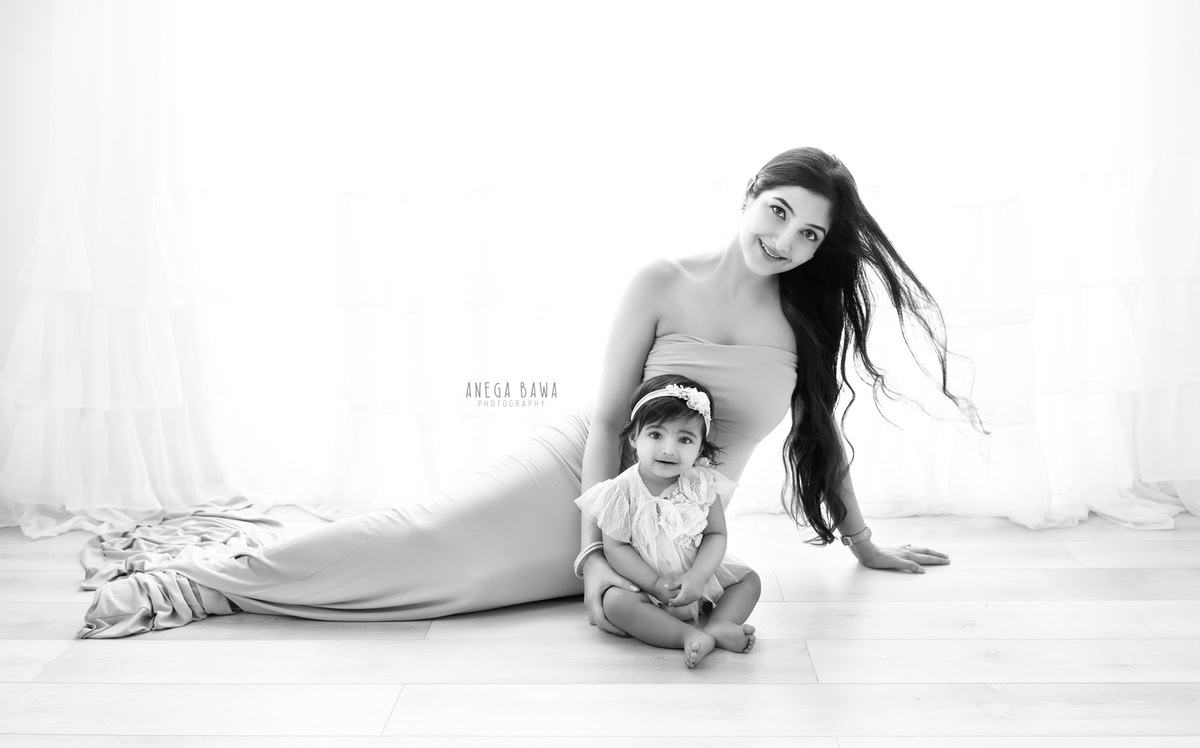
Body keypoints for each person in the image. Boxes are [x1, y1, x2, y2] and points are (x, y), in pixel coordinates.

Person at [78, 146, 971, 639]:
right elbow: (610, 415)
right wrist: (591, 547)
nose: (785, 239)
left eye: (809, 234)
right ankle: (201, 585)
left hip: (671, 527)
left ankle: (241, 579)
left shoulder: (802, 327)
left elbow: (826, 438)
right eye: (778, 211)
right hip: (585, 479)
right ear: (748, 196)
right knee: (429, 543)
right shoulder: (662, 280)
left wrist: (864, 543)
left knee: (457, 589)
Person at [577, 375, 759, 668]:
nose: (669, 449)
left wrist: (699, 576)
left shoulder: (702, 484)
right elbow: (615, 548)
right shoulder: (620, 490)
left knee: (749, 581)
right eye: (656, 435)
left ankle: (721, 624)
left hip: (697, 579)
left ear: (700, 448)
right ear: (634, 437)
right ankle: (685, 635)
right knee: (615, 603)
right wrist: (655, 584)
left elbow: (716, 535)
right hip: (647, 588)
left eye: (684, 439)